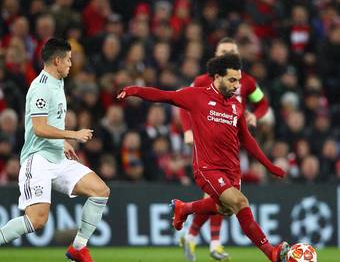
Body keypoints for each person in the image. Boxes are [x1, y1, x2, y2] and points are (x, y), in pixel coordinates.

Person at [117, 54, 290, 262]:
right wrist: (133, 90)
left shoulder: (236, 106)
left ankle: (184, 208)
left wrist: (269, 165)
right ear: (217, 77)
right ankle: (270, 252)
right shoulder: (196, 96)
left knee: (223, 209)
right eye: (232, 80)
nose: (237, 86)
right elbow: (164, 95)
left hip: (232, 170)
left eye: (239, 80)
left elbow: (248, 140)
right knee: (240, 203)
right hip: (207, 169)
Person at [0, 38, 110, 262]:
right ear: (57, 60)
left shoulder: (57, 81)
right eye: (68, 60)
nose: (71, 64)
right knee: (36, 220)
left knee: (100, 191)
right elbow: (39, 128)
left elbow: (49, 121)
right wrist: (72, 134)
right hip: (38, 161)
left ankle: (78, 248)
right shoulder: (42, 88)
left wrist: (61, 142)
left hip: (57, 158)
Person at [179, 37, 271, 262]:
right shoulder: (203, 80)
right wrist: (187, 130)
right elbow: (183, 102)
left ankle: (191, 235)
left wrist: (253, 115)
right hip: (208, 142)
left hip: (234, 143)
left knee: (221, 201)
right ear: (216, 54)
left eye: (231, 51)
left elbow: (263, 103)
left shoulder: (247, 82)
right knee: (224, 195)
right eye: (223, 51)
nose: (227, 54)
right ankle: (214, 243)